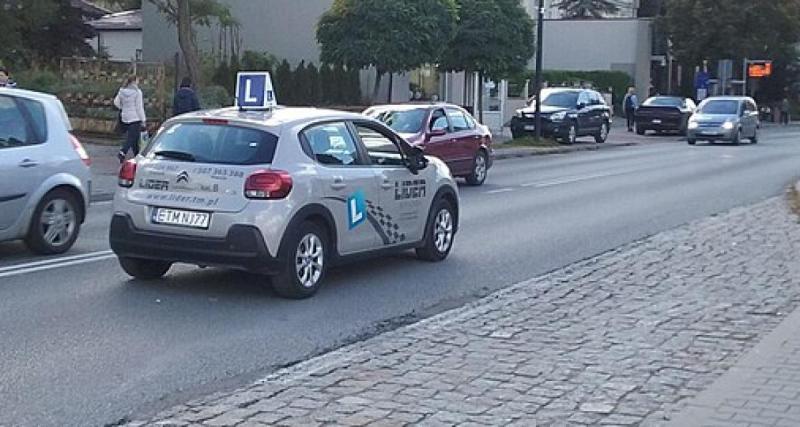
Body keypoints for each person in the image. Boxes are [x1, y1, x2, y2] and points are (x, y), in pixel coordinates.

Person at [113, 75, 146, 163]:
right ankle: (123, 152)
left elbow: (116, 102)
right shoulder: (138, 92)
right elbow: (139, 107)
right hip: (135, 117)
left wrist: (123, 107)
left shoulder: (122, 91)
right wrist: (143, 119)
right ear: (134, 81)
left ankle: (137, 156)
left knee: (134, 138)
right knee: (132, 137)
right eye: (137, 80)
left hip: (125, 117)